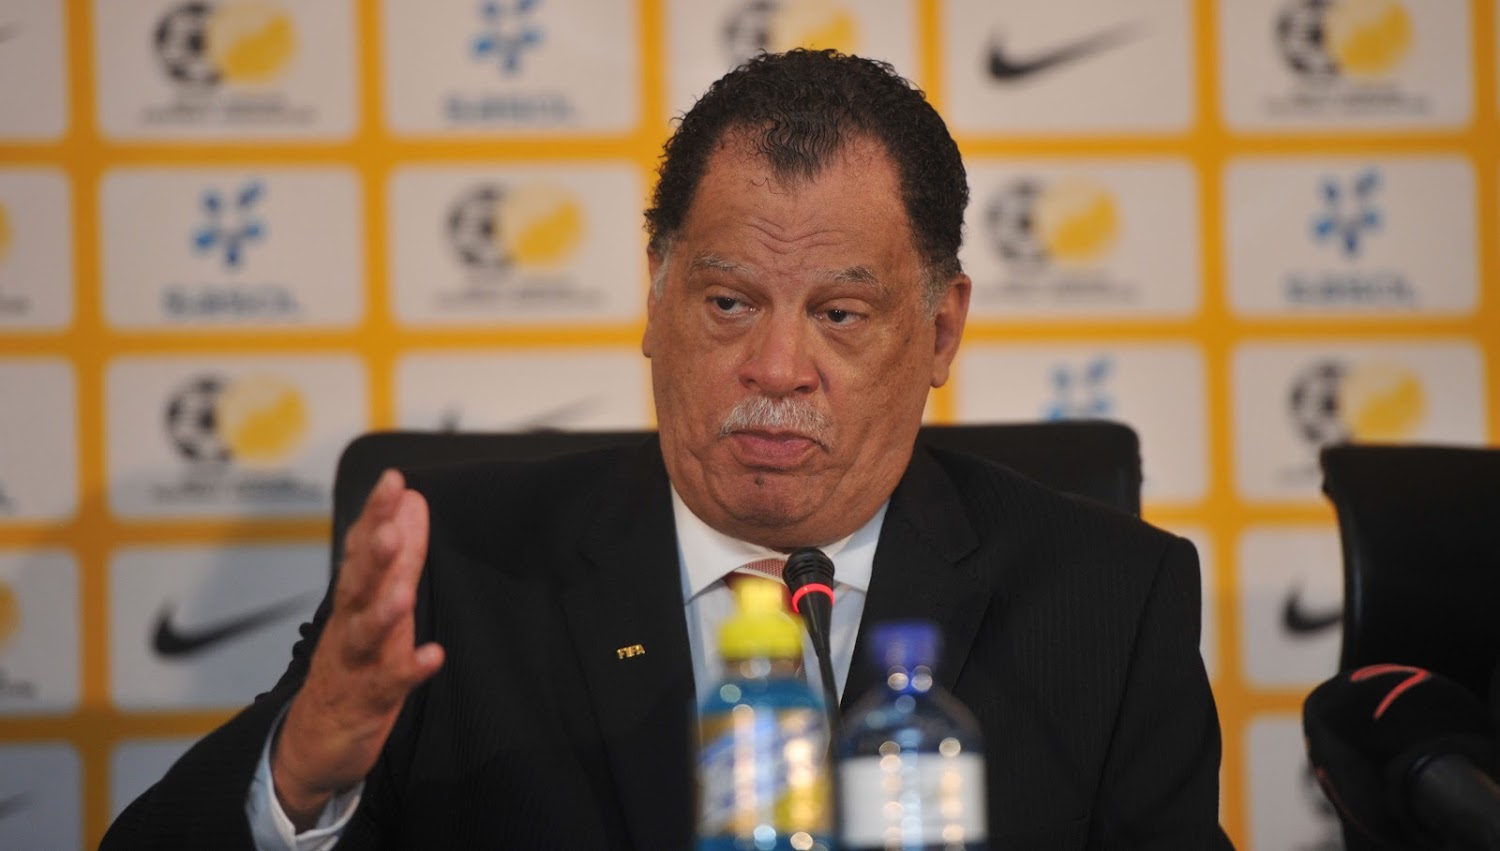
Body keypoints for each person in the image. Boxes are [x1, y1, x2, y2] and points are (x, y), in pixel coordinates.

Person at [103, 49, 1232, 849]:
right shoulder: (463, 573)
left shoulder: (1105, 601)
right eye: (729, 303)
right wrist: (304, 764)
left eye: (840, 314)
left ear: (940, 331)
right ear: (655, 300)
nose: (777, 367)